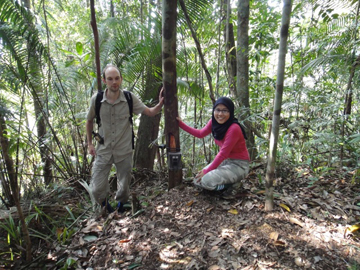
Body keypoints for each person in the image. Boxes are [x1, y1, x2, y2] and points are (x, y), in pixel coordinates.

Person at [86, 64, 164, 213]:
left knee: (124, 184)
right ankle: (106, 207)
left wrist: (160, 103)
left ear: (121, 79)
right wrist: (90, 143)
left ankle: (121, 205)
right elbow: (89, 121)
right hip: (103, 149)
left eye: (116, 78)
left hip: (124, 149)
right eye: (110, 79)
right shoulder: (97, 99)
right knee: (96, 188)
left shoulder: (129, 98)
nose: (114, 82)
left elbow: (150, 112)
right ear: (104, 81)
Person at [176, 97, 249, 194]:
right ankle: (224, 185)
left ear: (230, 112)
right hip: (225, 162)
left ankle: (233, 185)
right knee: (197, 181)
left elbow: (223, 153)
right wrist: (180, 124)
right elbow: (200, 134)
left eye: (225, 111)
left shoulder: (234, 128)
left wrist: (207, 171)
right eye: (217, 110)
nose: (220, 114)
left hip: (239, 165)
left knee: (206, 181)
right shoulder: (214, 121)